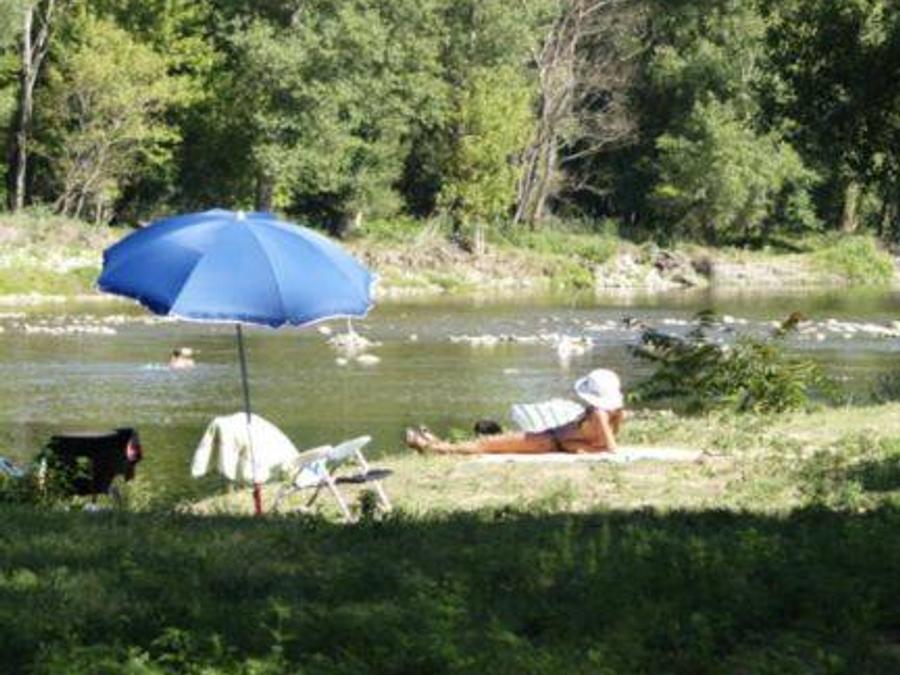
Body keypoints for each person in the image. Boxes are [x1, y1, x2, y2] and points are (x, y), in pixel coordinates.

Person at [405, 368, 625, 455]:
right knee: (494, 441)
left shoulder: (599, 414)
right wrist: (575, 445)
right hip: (550, 438)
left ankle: (432, 447)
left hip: (548, 441)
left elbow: (609, 448)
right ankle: (438, 444)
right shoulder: (615, 413)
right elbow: (599, 443)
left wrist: (573, 446)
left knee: (487, 445)